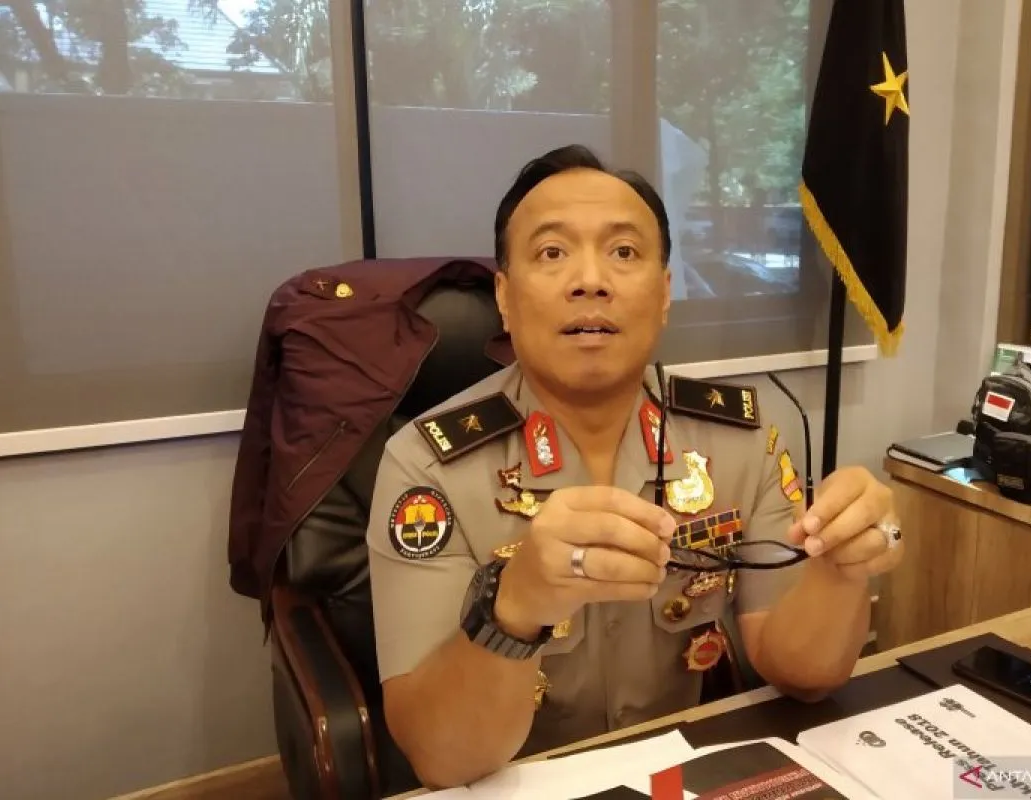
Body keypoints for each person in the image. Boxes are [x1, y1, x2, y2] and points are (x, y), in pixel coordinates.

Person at [365, 144, 904, 789]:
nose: (591, 280)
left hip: (682, 775)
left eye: (623, 252)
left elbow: (803, 675)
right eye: (552, 253)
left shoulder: (738, 435)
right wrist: (517, 605)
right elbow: (442, 758)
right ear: (504, 297)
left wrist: (842, 569)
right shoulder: (426, 465)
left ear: (665, 291)